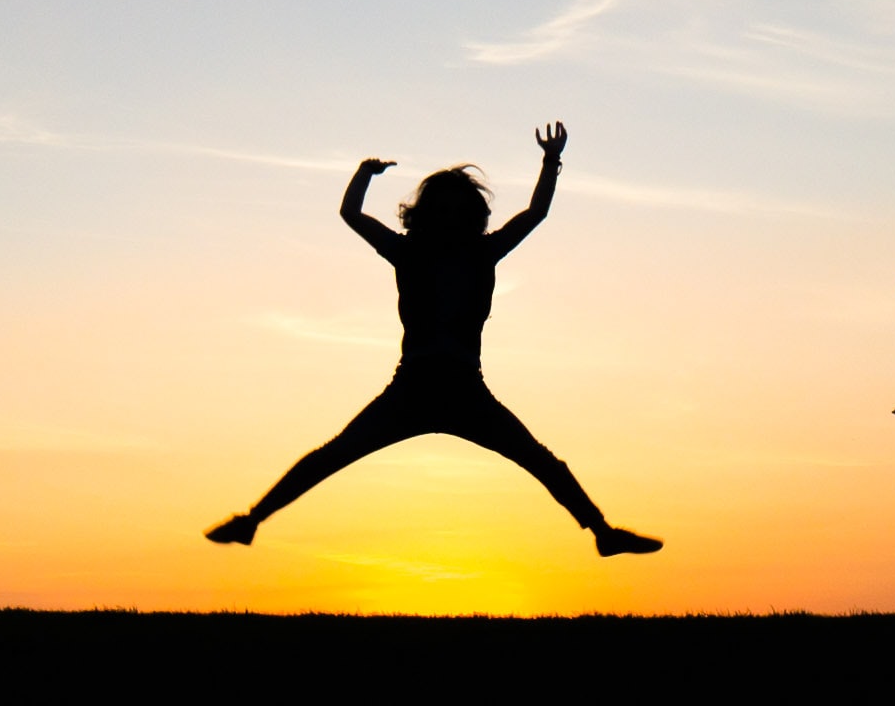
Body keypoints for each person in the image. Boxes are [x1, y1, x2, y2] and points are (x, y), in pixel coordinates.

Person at [210, 123, 661, 560]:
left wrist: (551, 161)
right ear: (431, 215)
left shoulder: (473, 251)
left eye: (456, 210)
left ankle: (603, 533)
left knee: (542, 463)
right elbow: (352, 215)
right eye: (443, 210)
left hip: (461, 389)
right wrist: (364, 173)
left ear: (468, 216)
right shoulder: (416, 251)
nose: (450, 218)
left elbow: (535, 212)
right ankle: (252, 521)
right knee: (334, 455)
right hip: (417, 387)